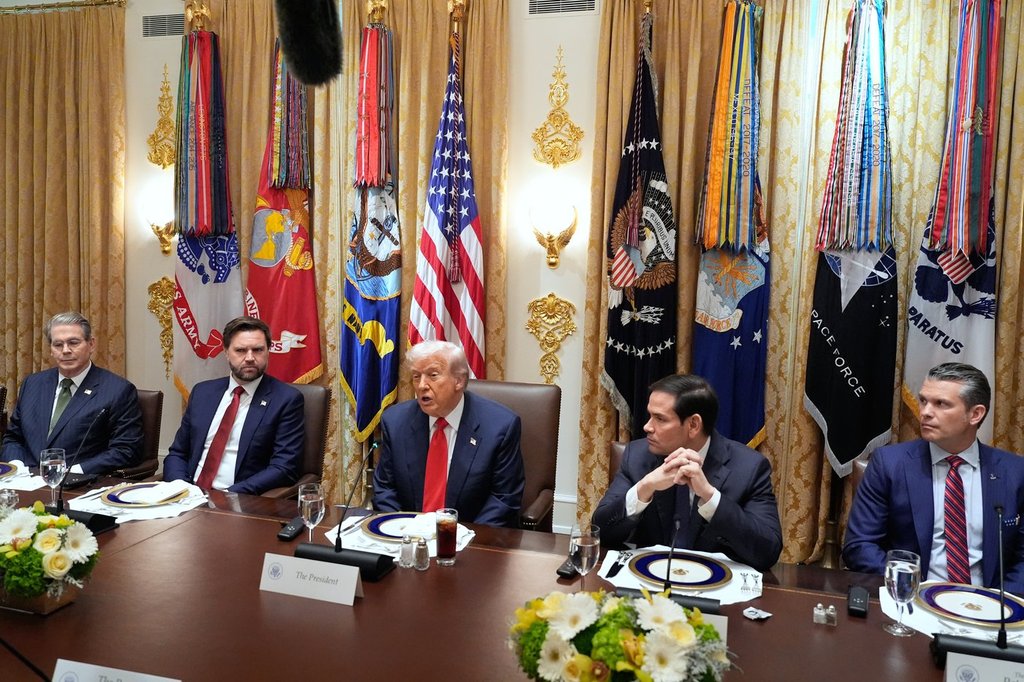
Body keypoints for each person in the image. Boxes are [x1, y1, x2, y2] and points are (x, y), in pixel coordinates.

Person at [843, 362, 1024, 594]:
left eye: (941, 404)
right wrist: (913, 590)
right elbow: (860, 546)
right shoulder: (889, 464)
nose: (925, 412)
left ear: (975, 414)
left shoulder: (1014, 472)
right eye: (923, 401)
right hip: (913, 599)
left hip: (988, 605)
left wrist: (997, 602)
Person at [592, 374, 783, 571]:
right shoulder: (637, 456)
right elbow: (601, 533)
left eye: (660, 419)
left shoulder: (749, 467)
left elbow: (767, 552)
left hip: (715, 582)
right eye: (650, 416)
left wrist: (710, 497)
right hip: (647, 578)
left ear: (693, 425)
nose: (647, 427)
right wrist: (645, 487)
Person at [372, 340, 525, 527]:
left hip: (471, 535)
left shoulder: (500, 426)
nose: (421, 385)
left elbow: (504, 499)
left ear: (459, 381)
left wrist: (462, 536)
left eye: (433, 375)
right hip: (407, 535)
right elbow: (384, 489)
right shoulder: (395, 421)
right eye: (416, 376)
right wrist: (401, 529)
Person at [163, 316, 304, 495]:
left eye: (258, 350)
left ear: (268, 351)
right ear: (226, 352)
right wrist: (181, 488)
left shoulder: (286, 399)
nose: (250, 358)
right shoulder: (202, 392)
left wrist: (228, 495)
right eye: (240, 350)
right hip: (188, 495)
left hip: (237, 498)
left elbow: (284, 468)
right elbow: (178, 453)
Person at [1, 312, 143, 475]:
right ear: (51, 350)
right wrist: (16, 467)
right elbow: (13, 438)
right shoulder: (32, 384)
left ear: (91, 344)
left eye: (73, 343)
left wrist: (72, 473)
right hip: (24, 479)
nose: (66, 350)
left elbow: (126, 450)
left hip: (79, 482)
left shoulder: (117, 390)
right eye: (58, 344)